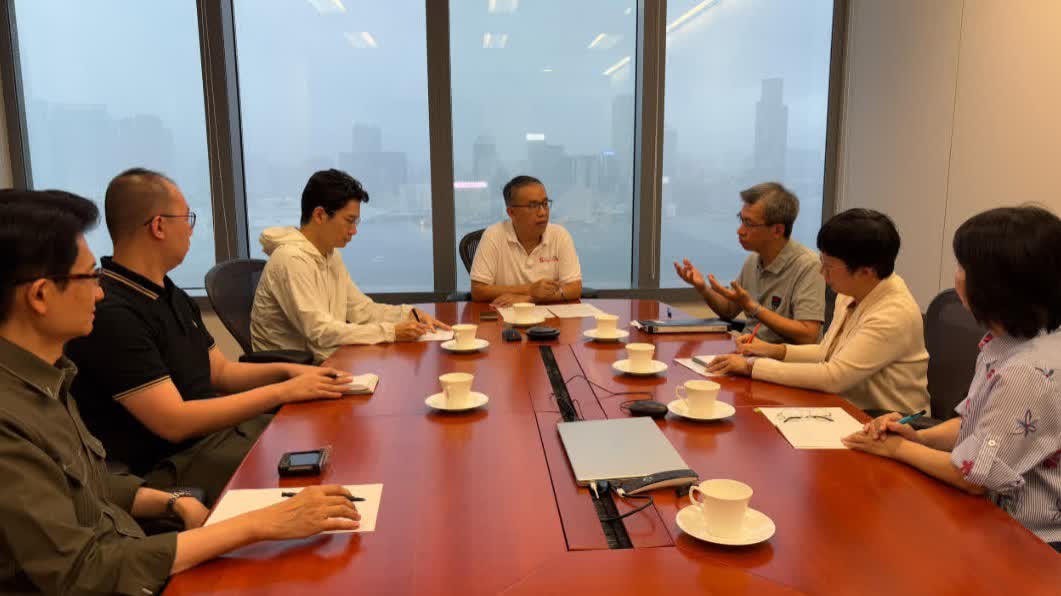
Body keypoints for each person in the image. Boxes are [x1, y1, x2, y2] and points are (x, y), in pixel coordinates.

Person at [0, 189, 360, 595]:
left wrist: (170, 502)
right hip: (127, 566)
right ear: (40, 295)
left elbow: (88, 484)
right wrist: (259, 524)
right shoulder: (11, 419)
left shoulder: (53, 378)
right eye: (89, 277)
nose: (98, 292)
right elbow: (84, 572)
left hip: (135, 546)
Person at [65, 169, 353, 505]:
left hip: (219, 437)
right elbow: (174, 421)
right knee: (323, 480)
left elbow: (220, 372)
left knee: (328, 435)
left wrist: (291, 372)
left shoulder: (171, 294)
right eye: (186, 218)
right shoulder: (113, 313)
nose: (190, 229)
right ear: (159, 226)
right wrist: (283, 390)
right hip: (173, 465)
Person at [844, 206, 1061, 553]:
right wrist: (919, 437)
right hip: (990, 518)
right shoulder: (1009, 342)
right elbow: (977, 425)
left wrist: (897, 449)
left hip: (1028, 541)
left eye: (962, 267)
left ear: (995, 285)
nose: (956, 276)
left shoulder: (1027, 371)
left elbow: (973, 476)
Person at [708, 208, 930, 415]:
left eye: (829, 266)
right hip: (844, 408)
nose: (822, 273)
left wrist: (752, 366)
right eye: (822, 261)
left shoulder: (892, 313)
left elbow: (833, 377)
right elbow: (827, 352)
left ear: (866, 271)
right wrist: (773, 351)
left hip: (886, 422)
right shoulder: (852, 292)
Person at [251, 169, 447, 362]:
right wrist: (391, 332)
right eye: (349, 221)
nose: (354, 231)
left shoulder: (330, 255)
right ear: (319, 215)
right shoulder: (290, 259)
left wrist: (407, 314)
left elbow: (360, 310)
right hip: (294, 371)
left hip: (328, 358)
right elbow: (319, 331)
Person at [674, 182, 825, 344]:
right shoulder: (754, 259)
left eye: (749, 223)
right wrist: (703, 288)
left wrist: (753, 307)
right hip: (747, 350)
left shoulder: (808, 265)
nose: (740, 231)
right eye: (741, 220)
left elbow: (808, 334)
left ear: (777, 230)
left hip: (777, 357)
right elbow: (728, 310)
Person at [469, 175, 583, 306]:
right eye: (533, 205)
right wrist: (530, 289)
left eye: (545, 204)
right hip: (504, 315)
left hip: (550, 316)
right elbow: (478, 290)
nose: (542, 212)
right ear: (511, 212)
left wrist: (530, 299)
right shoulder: (493, 236)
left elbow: (575, 288)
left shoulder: (560, 235)